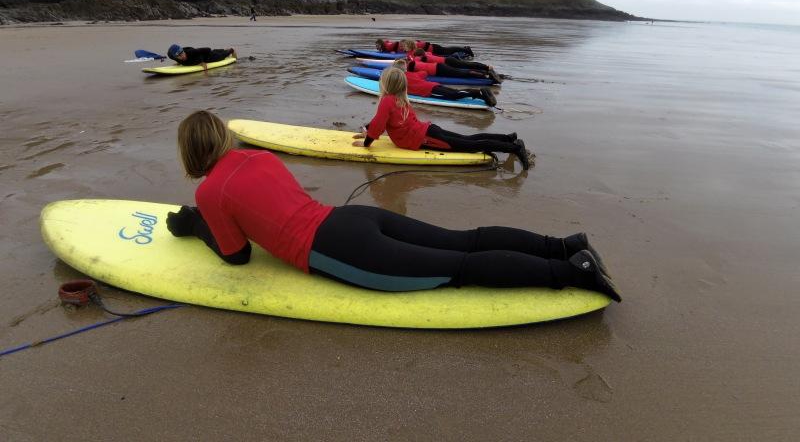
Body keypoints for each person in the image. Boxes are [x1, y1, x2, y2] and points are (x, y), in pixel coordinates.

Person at [167, 110, 620, 301]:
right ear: (224, 137)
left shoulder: (209, 194)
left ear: (191, 153)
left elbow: (237, 256)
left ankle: (571, 272)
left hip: (337, 250)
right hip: (349, 217)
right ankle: (564, 245)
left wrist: (195, 226)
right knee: (465, 240)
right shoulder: (258, 155)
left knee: (458, 268)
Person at [353, 67, 531, 169]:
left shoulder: (387, 100)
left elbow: (379, 124)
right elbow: (380, 121)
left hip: (423, 138)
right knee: (468, 139)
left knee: (471, 146)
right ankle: (509, 138)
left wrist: (367, 143)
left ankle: (514, 148)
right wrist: (367, 131)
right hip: (429, 130)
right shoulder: (400, 98)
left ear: (385, 84)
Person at [390, 59, 497, 107]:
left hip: (428, 91)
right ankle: (480, 93)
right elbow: (424, 73)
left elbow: (394, 90)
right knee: (455, 93)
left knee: (454, 95)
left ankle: (479, 93)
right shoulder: (411, 74)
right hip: (433, 85)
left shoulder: (399, 81)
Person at [400, 41, 501, 81]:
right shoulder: (423, 54)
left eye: (404, 46)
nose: (403, 48)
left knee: (464, 67)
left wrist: (408, 61)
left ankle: (487, 70)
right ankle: (486, 70)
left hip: (447, 61)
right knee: (465, 66)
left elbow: (415, 60)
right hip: (444, 62)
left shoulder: (418, 56)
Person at [376, 38, 474, 58]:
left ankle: (465, 50)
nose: (377, 48)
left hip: (430, 48)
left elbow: (397, 43)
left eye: (377, 46)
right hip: (427, 47)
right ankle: (464, 51)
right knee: (446, 51)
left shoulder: (389, 46)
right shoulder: (387, 44)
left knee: (447, 51)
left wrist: (393, 51)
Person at [167, 44, 237, 73]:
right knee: (216, 52)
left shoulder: (191, 52)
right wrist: (179, 62)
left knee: (220, 57)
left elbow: (207, 49)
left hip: (208, 56)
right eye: (179, 56)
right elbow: (171, 54)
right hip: (201, 55)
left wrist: (201, 62)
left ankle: (231, 50)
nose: (182, 56)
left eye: (182, 53)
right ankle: (222, 49)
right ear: (175, 57)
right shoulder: (172, 55)